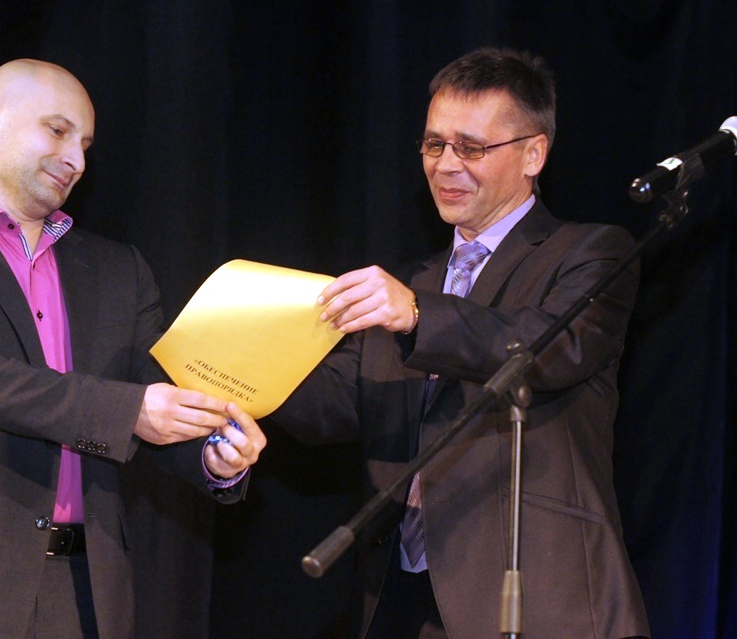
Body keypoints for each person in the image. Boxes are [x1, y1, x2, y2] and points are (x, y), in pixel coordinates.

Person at [0, 59, 266, 638]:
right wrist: (130, 410)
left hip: (87, 593)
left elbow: (155, 396)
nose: (77, 159)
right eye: (57, 131)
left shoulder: (119, 270)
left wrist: (213, 454)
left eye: (86, 145)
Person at [273, 48, 650, 638]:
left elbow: (545, 347)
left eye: (470, 148)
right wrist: (232, 373)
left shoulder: (591, 253)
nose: (446, 165)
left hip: (539, 593)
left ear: (533, 154)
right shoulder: (412, 282)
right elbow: (335, 405)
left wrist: (417, 315)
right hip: (401, 597)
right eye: (434, 144)